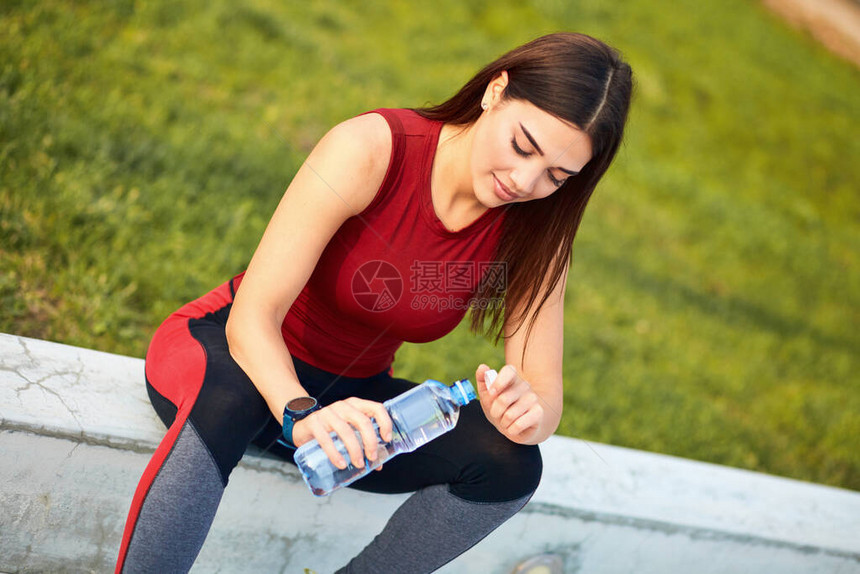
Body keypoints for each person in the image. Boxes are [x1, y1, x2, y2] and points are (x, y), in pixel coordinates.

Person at [115, 32, 633, 574]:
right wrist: (301, 414)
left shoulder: (537, 232)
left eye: (557, 176)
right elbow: (254, 316)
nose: (524, 181)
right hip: (236, 356)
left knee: (510, 465)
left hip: (351, 401)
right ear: (495, 91)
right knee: (233, 395)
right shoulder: (371, 148)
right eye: (523, 146)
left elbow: (543, 393)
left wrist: (527, 413)